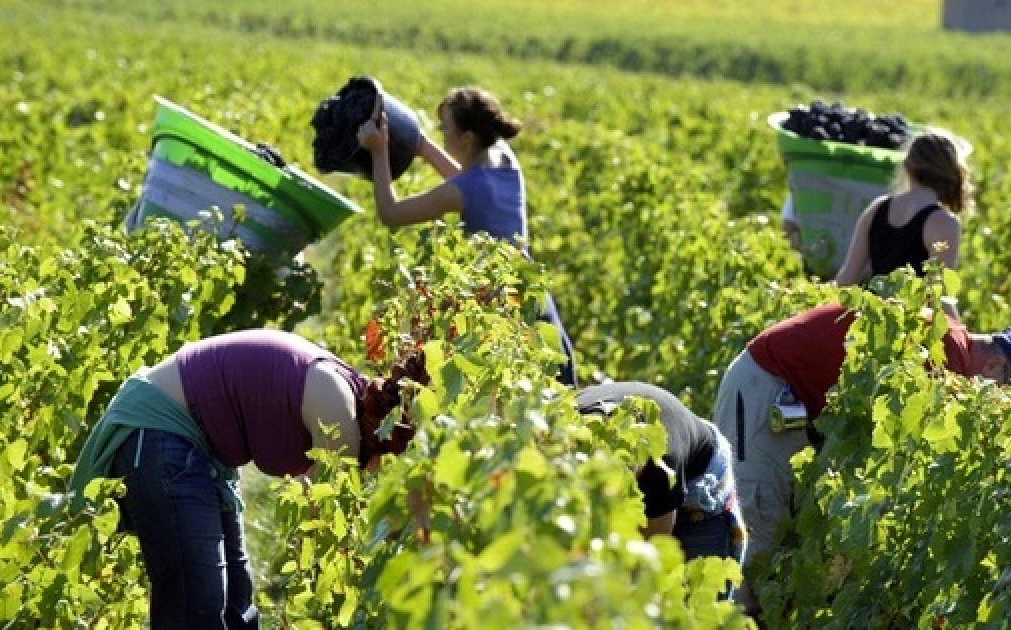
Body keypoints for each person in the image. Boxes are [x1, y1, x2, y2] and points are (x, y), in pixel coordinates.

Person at [68, 329, 428, 629]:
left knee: (237, 605)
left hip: (200, 448)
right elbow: (321, 522)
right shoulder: (342, 423)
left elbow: (311, 495)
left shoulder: (346, 395)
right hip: (160, 431)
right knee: (197, 603)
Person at [711, 302, 1011, 616]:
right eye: (1004, 394)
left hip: (795, 408)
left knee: (786, 536)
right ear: (995, 367)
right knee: (755, 531)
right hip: (766, 384)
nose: (994, 408)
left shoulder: (949, 336)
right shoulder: (947, 359)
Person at [356, 85, 578, 386]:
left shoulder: (466, 190)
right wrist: (422, 148)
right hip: (534, 299)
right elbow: (469, 178)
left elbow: (391, 213)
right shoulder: (502, 155)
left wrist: (379, 152)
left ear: (466, 138)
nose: (441, 133)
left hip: (503, 310)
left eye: (444, 128)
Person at [575, 382, 747, 584]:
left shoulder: (660, 467)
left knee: (696, 584)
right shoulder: (565, 429)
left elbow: (650, 558)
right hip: (668, 430)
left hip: (702, 475)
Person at [833, 131, 971, 319]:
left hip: (872, 324)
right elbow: (939, 298)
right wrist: (963, 340)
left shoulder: (878, 208)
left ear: (908, 166)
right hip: (913, 331)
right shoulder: (943, 223)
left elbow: (846, 280)